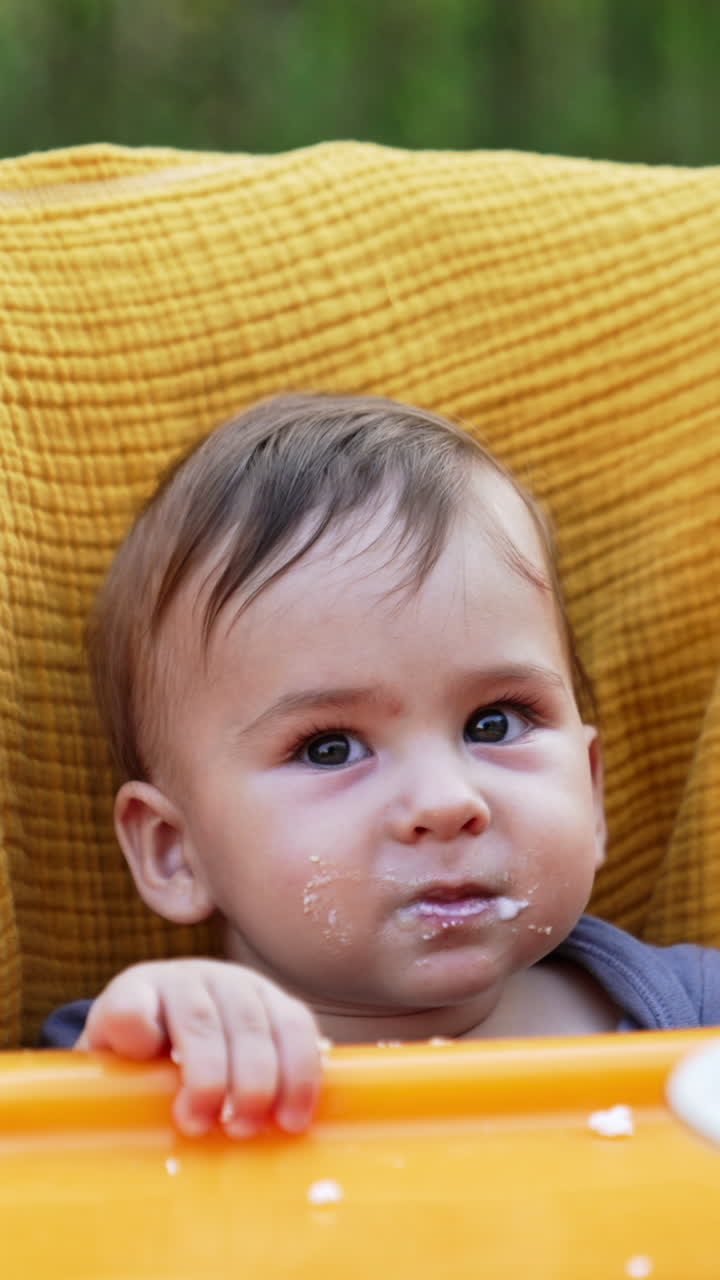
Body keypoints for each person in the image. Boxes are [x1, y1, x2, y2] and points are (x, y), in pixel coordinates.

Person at [42, 392, 720, 1139]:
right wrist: (155, 1047)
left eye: (494, 722)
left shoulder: (694, 1018)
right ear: (176, 849)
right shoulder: (159, 1063)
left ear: (590, 792)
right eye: (329, 747)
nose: (446, 801)